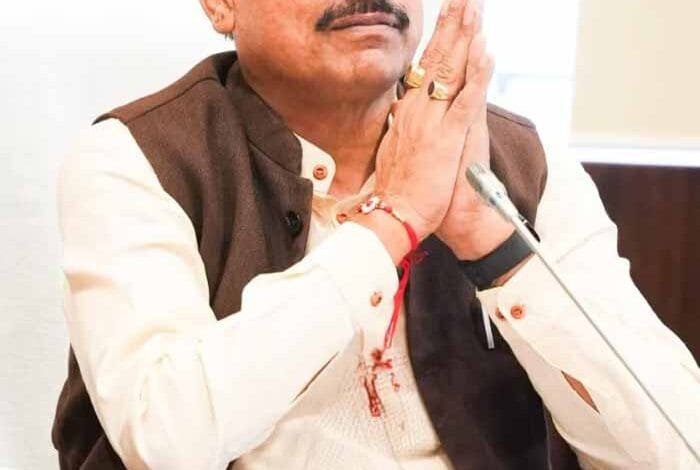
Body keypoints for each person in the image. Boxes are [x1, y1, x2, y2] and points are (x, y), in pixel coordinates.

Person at [52, 0, 700, 468]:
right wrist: (392, 221)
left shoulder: (520, 161)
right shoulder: (138, 157)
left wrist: (494, 245)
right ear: (221, 5)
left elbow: (677, 444)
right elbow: (166, 439)